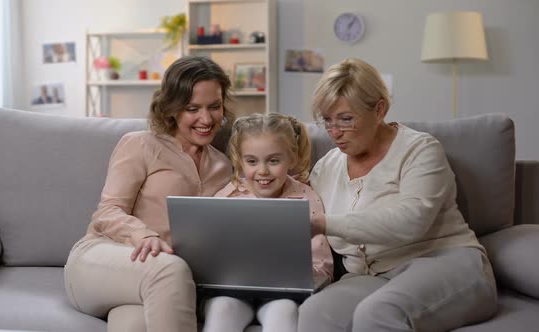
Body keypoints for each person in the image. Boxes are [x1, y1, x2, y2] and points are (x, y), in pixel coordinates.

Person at [298, 58, 497, 332]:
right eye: (327, 120)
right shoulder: (326, 168)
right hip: (369, 275)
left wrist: (323, 223)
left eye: (346, 119)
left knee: (377, 313)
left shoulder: (420, 150)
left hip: (443, 261)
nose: (335, 133)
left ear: (379, 110)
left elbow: (411, 221)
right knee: (314, 313)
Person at [64, 55, 235, 332]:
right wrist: (142, 233)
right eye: (193, 108)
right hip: (101, 259)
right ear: (171, 108)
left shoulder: (223, 165)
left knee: (133, 325)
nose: (206, 119)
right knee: (170, 270)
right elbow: (106, 212)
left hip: (153, 277)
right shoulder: (140, 144)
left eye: (214, 106)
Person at [203, 113, 334, 332]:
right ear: (240, 160)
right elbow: (209, 254)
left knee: (284, 312)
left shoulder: (306, 197)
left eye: (273, 161)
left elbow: (322, 264)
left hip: (283, 294)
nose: (262, 171)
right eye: (252, 161)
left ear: (291, 158)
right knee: (220, 309)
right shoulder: (227, 196)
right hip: (232, 293)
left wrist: (302, 278)